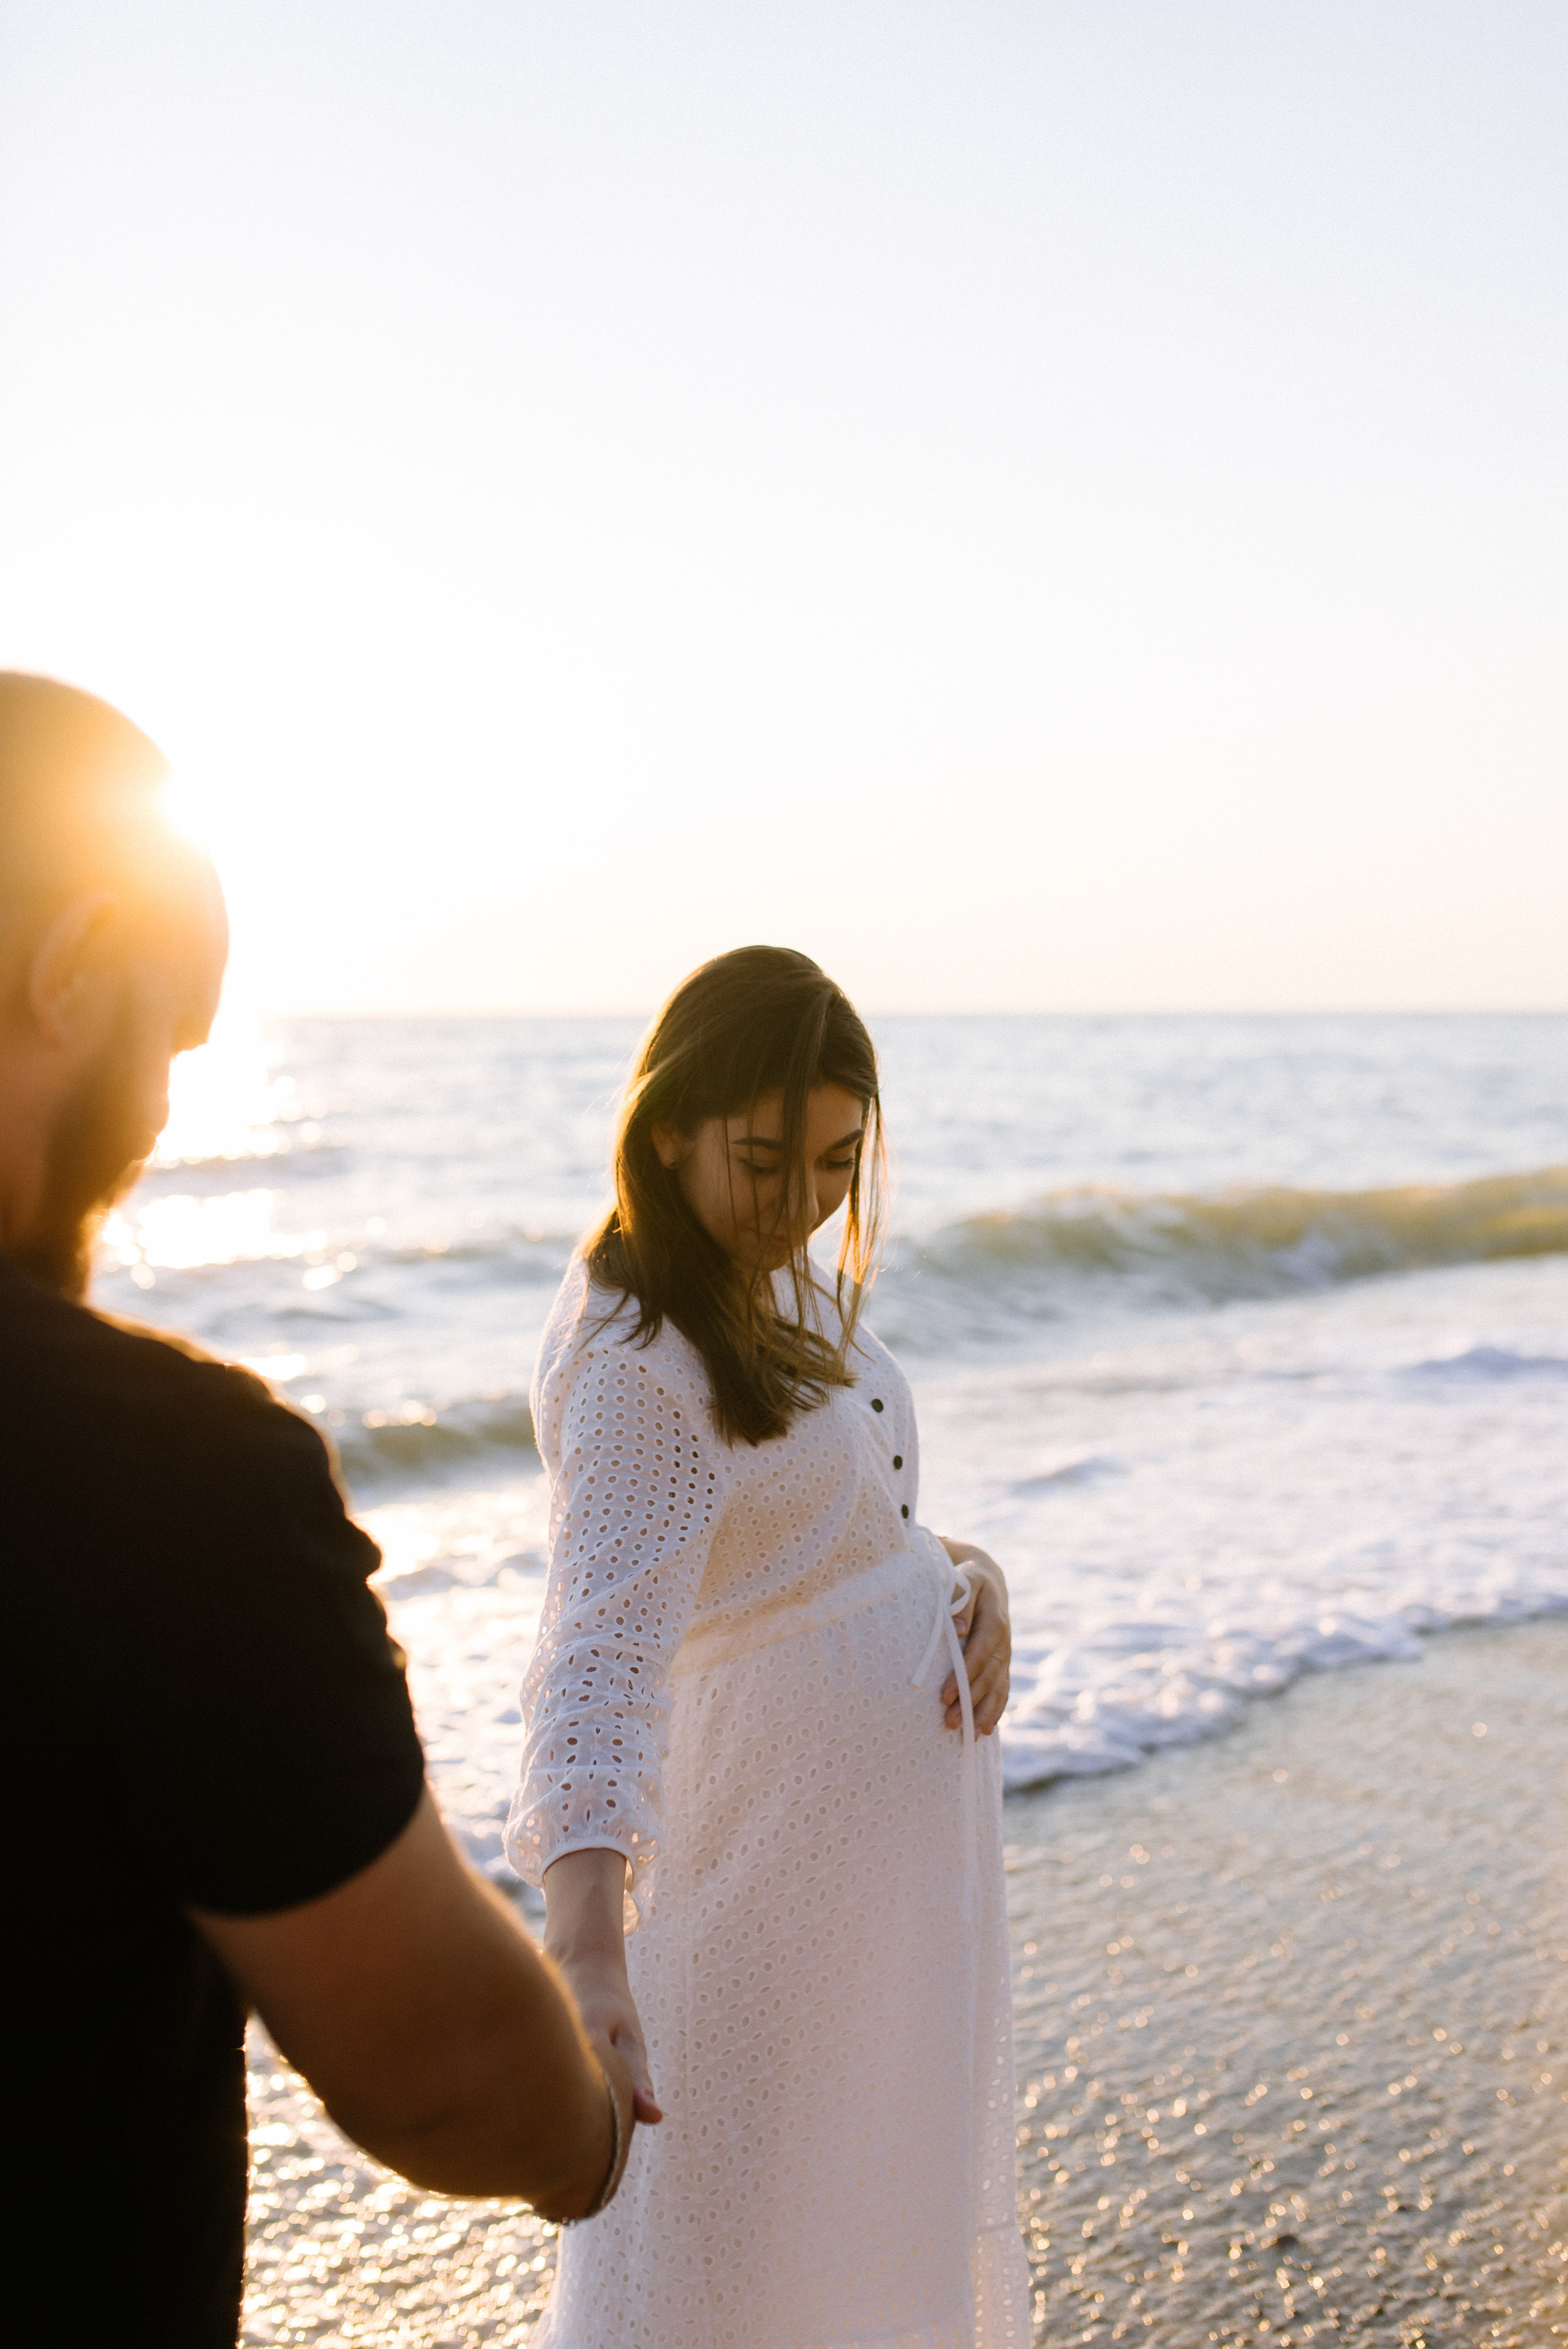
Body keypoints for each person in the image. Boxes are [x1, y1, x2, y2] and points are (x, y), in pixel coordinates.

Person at [0, 673, 634, 2349]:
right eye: (166, 1040)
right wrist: (583, 2134)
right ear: (70, 966)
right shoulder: (154, 1474)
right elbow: (446, 2077)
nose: (155, 1118)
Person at [507, 945, 1033, 2347]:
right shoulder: (634, 1360)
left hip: (870, 1909)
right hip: (758, 1905)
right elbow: (594, 1668)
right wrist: (587, 1954)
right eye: (763, 1159)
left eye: (835, 1164)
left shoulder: (769, 1289)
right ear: (666, 1126)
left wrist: (964, 1577)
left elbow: (828, 1529)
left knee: (851, 2262)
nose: (801, 1203)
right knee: (708, 2280)